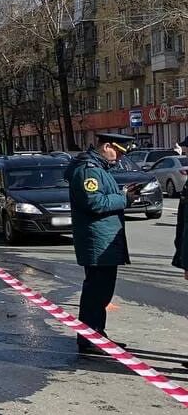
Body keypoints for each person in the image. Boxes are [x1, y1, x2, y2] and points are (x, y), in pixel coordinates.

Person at [66, 131, 142, 355]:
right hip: (97, 240)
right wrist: (124, 199)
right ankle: (91, 337)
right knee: (96, 292)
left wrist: (123, 193)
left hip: (103, 239)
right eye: (117, 152)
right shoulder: (88, 170)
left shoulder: (98, 169)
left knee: (102, 292)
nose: (119, 158)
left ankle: (96, 333)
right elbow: (94, 202)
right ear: (106, 145)